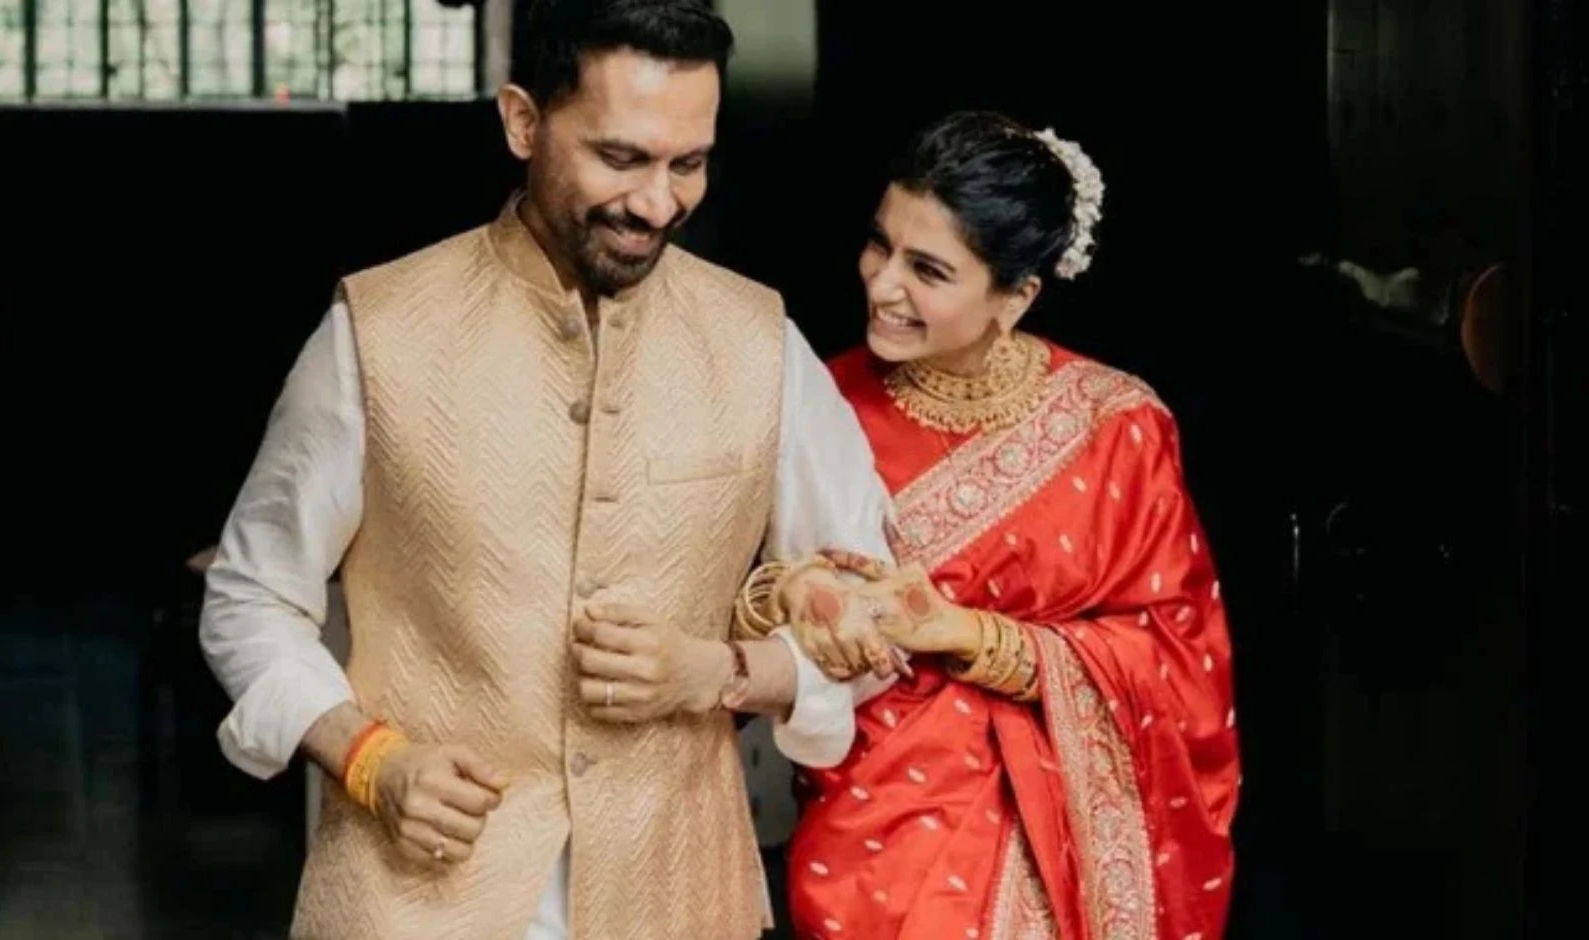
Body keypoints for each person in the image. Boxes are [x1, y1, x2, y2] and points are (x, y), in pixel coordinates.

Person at [198, 2, 897, 937]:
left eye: (688, 164)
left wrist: (722, 670)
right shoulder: (378, 332)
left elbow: (879, 612)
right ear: (523, 122)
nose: (657, 204)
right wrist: (369, 759)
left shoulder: (761, 345)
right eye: (620, 158)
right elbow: (250, 597)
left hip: (681, 897)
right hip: (415, 904)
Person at [752, 111, 1242, 939]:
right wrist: (793, 595)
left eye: (928, 270)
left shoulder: (1115, 426)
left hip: (1060, 838)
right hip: (876, 829)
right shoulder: (817, 404)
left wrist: (965, 633)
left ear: (1016, 297)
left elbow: (1177, 664)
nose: (882, 284)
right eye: (879, 245)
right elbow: (735, 597)